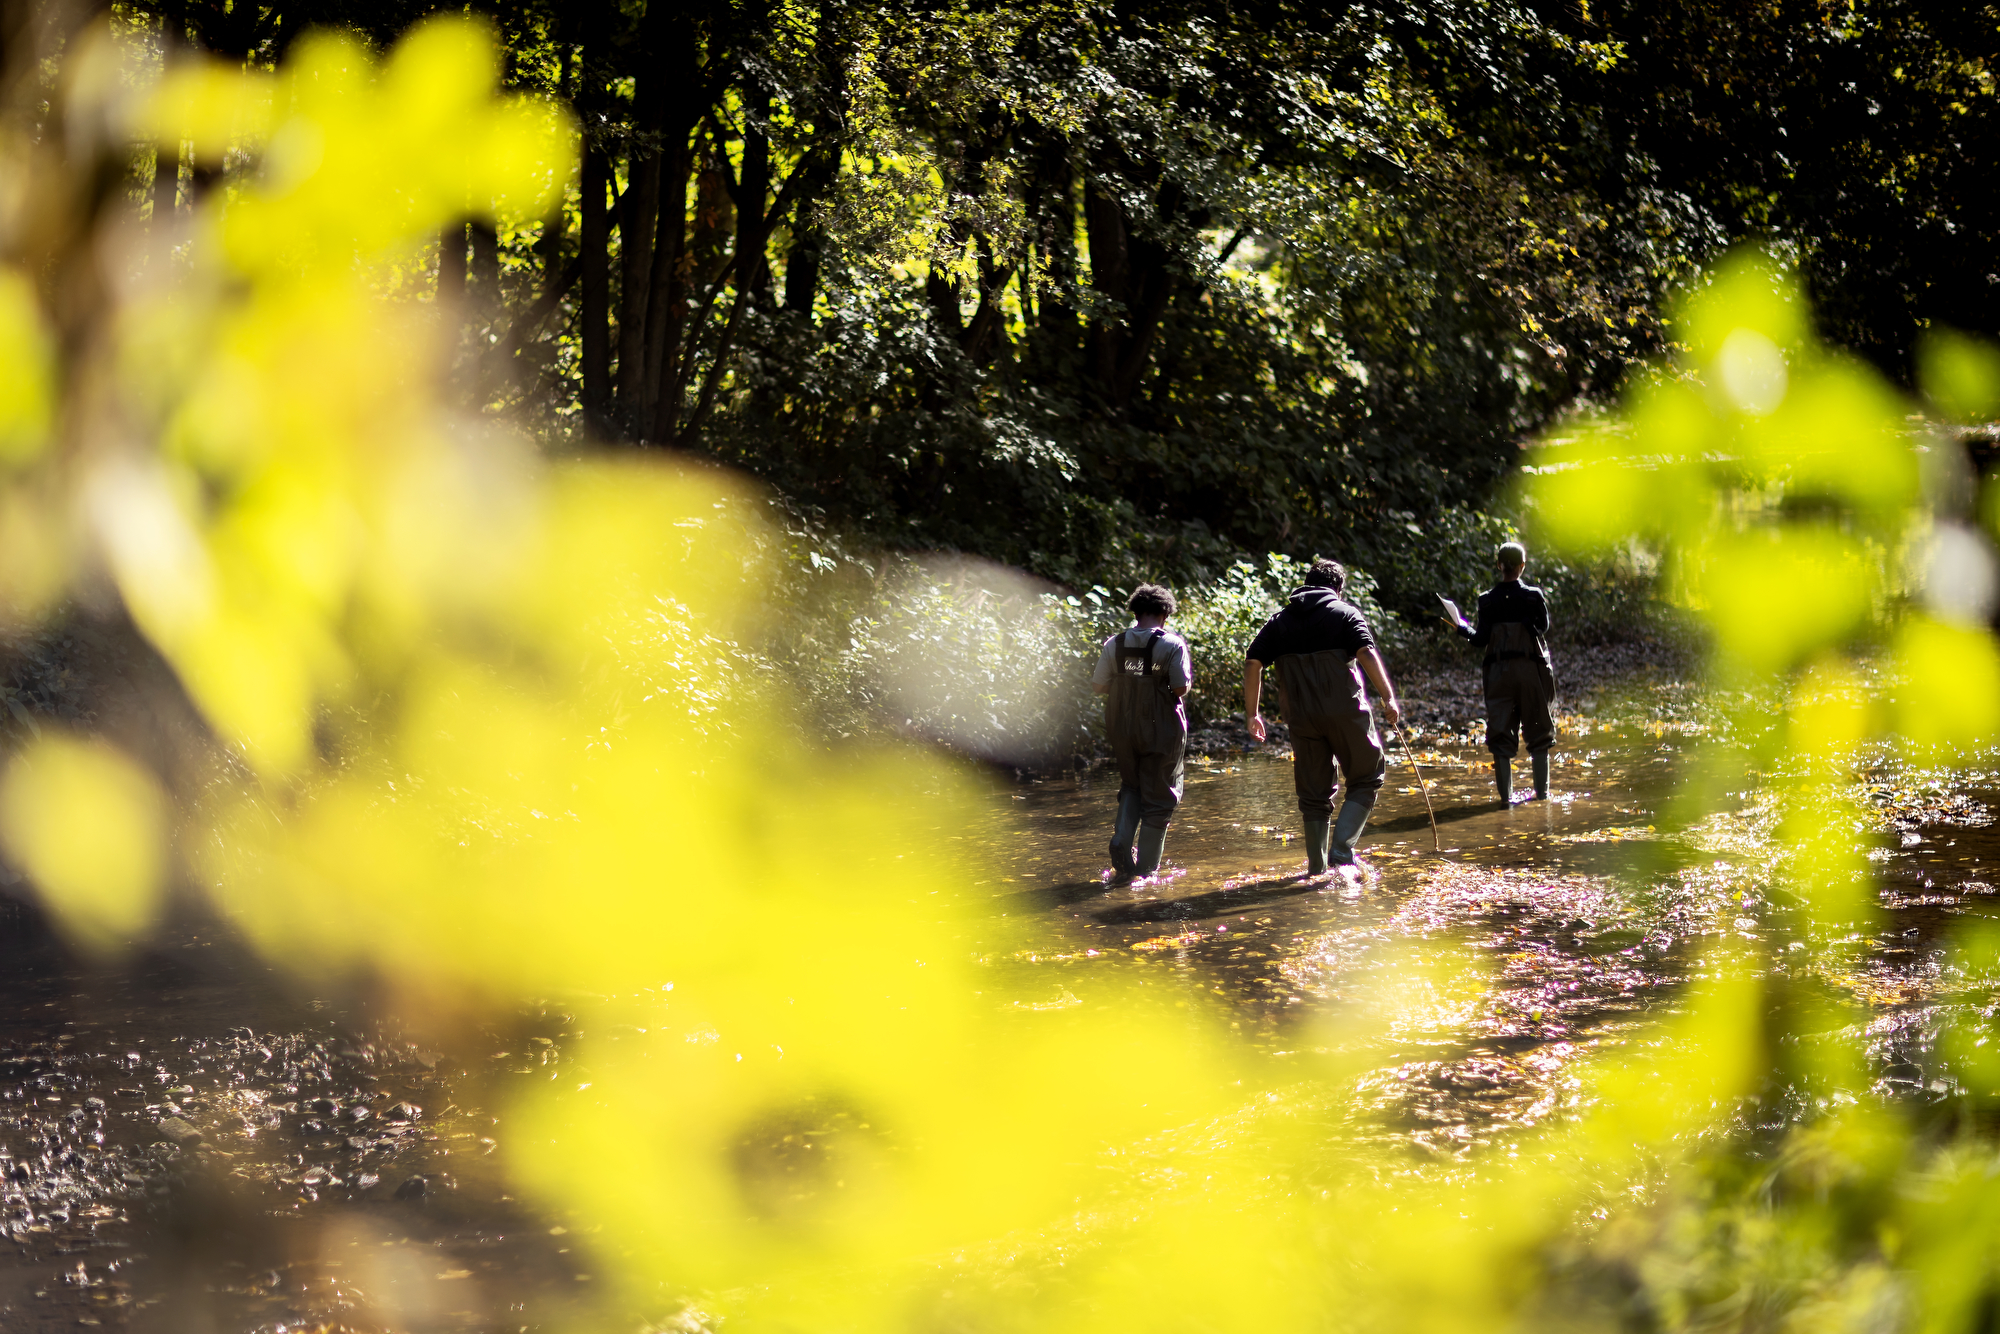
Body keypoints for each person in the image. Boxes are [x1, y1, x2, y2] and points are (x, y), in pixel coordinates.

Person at [1242, 559, 1401, 873]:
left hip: (1301, 718)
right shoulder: (1344, 613)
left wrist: (1252, 714)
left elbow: (1252, 663)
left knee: (1313, 794)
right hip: (1345, 712)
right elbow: (1366, 653)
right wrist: (1388, 697)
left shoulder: (1278, 621)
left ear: (1307, 582)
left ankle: (1317, 869)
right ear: (1337, 588)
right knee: (1367, 774)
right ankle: (1341, 853)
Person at [1091, 584, 1192, 878]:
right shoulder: (1172, 645)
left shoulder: (1114, 644)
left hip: (1121, 727)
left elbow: (1098, 686)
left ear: (1136, 613)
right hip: (1161, 728)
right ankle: (1147, 874)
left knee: (1132, 784)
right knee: (1160, 797)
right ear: (1164, 614)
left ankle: (1121, 840)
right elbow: (1180, 687)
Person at [1446, 540, 1555, 802]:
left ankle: (1506, 801)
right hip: (1530, 670)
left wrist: (1461, 628)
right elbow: (1544, 627)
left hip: (1498, 675)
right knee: (1539, 730)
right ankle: (1542, 798)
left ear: (1499, 565)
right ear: (1522, 566)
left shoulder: (1487, 600)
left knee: (1500, 733)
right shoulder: (1533, 596)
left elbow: (1481, 639)